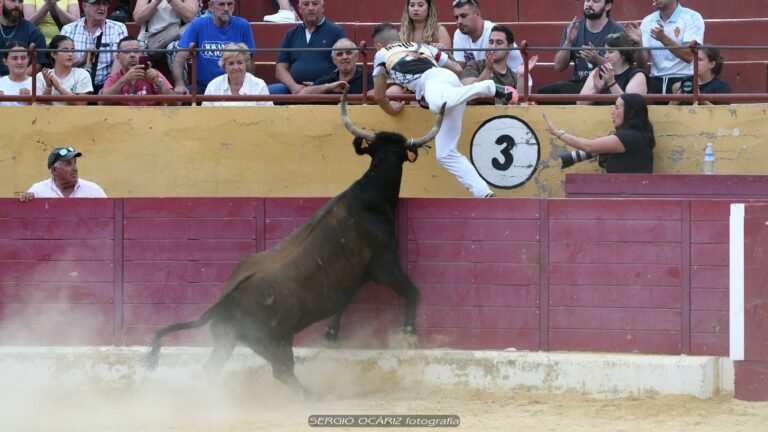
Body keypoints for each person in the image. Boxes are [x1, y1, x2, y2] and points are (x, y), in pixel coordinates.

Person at [371, 23, 517, 198]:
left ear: (379, 45)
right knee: (445, 154)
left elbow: (379, 95)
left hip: (432, 83)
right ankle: (483, 192)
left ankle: (489, 87)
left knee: (437, 104)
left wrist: (392, 110)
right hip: (448, 82)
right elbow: (457, 68)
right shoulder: (422, 47)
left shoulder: (381, 54)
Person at [543, 93, 655, 173]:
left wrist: (558, 133)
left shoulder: (630, 137)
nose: (612, 112)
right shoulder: (637, 136)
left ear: (630, 113)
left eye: (616, 108)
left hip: (627, 197)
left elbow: (588, 146)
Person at [537, 0, 624, 99]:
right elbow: (559, 66)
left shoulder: (617, 31)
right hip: (579, 83)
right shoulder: (573, 28)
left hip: (606, 83)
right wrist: (568, 42)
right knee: (544, 92)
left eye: (595, 1)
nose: (589, 4)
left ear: (608, 6)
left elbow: (621, 69)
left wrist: (597, 59)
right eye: (587, 0)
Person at [172, 0, 255, 96]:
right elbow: (179, 59)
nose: (226, 8)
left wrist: (249, 86)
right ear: (211, 6)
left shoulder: (243, 25)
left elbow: (250, 61)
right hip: (204, 87)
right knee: (183, 99)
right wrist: (179, 85)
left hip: (235, 88)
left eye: (230, 4)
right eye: (221, 4)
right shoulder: (198, 24)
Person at [625, 0, 704, 95]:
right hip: (655, 80)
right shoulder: (648, 20)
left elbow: (689, 56)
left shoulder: (692, 17)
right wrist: (638, 43)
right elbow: (641, 64)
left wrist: (664, 39)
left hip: (684, 79)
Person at [269, 0, 346, 95]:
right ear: (299, 9)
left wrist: (319, 85)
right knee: (268, 91)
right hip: (295, 89)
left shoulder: (336, 32)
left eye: (315, 4)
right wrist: (294, 87)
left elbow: (344, 64)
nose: (311, 8)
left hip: (327, 89)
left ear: (323, 7)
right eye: (306, 4)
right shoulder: (291, 34)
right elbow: (280, 69)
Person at [61, 0, 128, 94]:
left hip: (105, 86)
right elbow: (62, 64)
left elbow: (119, 60)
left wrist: (109, 87)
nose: (102, 8)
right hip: (74, 88)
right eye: (96, 3)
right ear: (84, 6)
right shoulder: (68, 29)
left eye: (105, 3)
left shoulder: (118, 28)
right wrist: (82, 60)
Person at [461, 24, 537, 104]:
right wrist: (488, 71)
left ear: (510, 47)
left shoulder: (514, 76)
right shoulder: (474, 65)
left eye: (499, 42)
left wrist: (521, 76)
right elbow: (467, 95)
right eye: (491, 42)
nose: (493, 47)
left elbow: (519, 106)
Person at [451, 0, 524, 73]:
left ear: (477, 14)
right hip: (478, 80)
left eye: (463, 16)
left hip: (508, 80)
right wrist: (445, 56)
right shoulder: (459, 34)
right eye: (456, 18)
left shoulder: (496, 33)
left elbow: (518, 70)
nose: (459, 21)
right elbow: (459, 69)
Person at [101, 35, 174, 105]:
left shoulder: (154, 74)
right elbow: (102, 102)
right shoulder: (115, 78)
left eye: (136, 51)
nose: (132, 55)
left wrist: (158, 82)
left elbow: (175, 103)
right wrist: (124, 79)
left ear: (141, 54)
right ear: (118, 58)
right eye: (127, 52)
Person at [577, 32, 646, 106]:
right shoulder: (599, 72)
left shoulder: (637, 76)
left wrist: (611, 83)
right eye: (605, 52)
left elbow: (631, 107)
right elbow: (580, 104)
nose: (606, 56)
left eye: (610, 52)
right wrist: (596, 90)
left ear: (624, 54)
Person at [20, 146, 106, 201]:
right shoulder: (38, 191)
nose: (75, 168)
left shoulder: (93, 191)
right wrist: (27, 197)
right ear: (54, 171)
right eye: (68, 164)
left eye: (75, 162)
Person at [202, 42, 272, 106]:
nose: (235, 67)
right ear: (224, 67)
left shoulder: (259, 85)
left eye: (239, 62)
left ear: (246, 64)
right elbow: (205, 115)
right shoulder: (213, 86)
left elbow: (269, 115)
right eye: (231, 63)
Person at [299, 38, 372, 96]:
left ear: (356, 56)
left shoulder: (367, 76)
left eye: (348, 53)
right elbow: (302, 94)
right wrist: (329, 87)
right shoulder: (329, 80)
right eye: (339, 54)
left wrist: (345, 100)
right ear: (334, 60)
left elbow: (377, 95)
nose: (344, 57)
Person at [133, 0, 199, 63]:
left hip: (176, 38)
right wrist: (156, 2)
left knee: (176, 49)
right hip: (150, 40)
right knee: (135, 52)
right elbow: (138, 19)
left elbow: (190, 17)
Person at [36, 34, 92, 105]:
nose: (70, 54)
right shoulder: (41, 76)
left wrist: (59, 88)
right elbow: (39, 107)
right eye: (65, 50)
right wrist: (48, 87)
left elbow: (81, 103)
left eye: (72, 50)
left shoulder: (82, 74)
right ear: (53, 54)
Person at [0, 0, 48, 76]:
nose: (17, 5)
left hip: (21, 83)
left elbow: (38, 64)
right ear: (1, 2)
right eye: (12, 0)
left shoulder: (33, 32)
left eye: (20, 1)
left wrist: (13, 80)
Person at [0, 41, 31, 105]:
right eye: (14, 58)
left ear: (29, 59)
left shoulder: (37, 83)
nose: (19, 62)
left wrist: (31, 102)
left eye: (23, 58)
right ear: (5, 61)